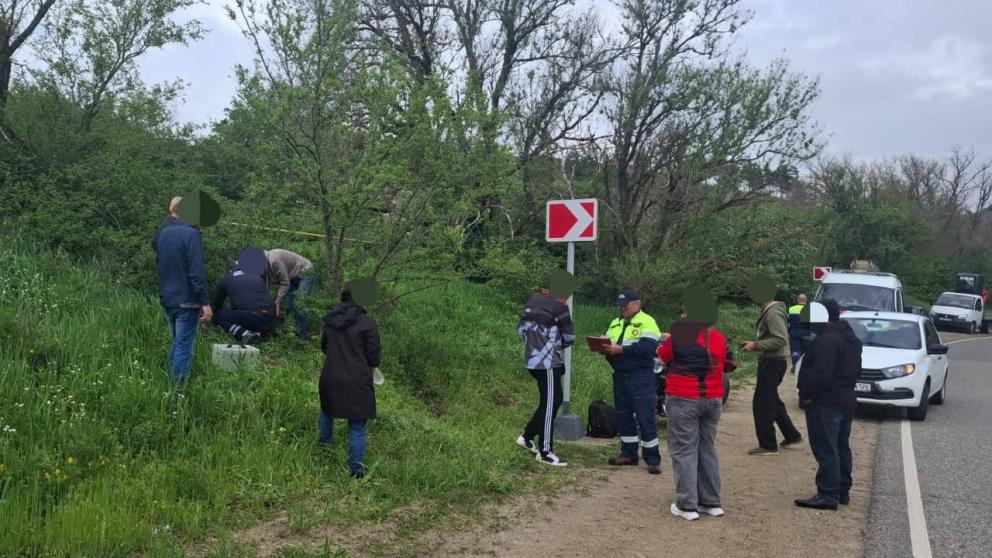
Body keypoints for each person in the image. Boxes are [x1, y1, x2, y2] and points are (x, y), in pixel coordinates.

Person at [657, 315, 728, 521]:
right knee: (707, 447)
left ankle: (687, 505)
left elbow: (664, 355)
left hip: (683, 397)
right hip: (713, 398)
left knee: (684, 450)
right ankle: (711, 502)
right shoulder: (718, 337)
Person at [796, 300, 862, 510]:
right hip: (846, 397)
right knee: (841, 445)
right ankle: (842, 489)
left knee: (826, 447)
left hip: (826, 400)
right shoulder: (852, 339)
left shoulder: (826, 341)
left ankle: (828, 493)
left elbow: (821, 373)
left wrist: (806, 393)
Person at [318, 283, 381, 479]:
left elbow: (324, 346)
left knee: (327, 411)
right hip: (357, 380)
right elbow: (374, 358)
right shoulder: (367, 323)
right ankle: (356, 471)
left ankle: (323, 452)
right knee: (357, 424)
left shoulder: (331, 320)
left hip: (331, 375)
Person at [599, 289, 663, 474]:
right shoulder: (616, 323)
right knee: (623, 416)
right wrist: (602, 347)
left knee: (645, 417)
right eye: (620, 307)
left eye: (625, 306)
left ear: (637, 304)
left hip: (640, 375)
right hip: (619, 375)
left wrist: (621, 350)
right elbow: (609, 341)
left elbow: (649, 346)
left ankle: (652, 458)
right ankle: (628, 454)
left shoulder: (647, 321)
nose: (622, 310)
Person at [153, 196, 211, 383]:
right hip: (187, 299)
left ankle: (170, 386)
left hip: (167, 297)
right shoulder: (191, 235)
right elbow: (196, 273)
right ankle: (178, 392)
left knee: (178, 344)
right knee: (183, 347)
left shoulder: (163, 233)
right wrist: (205, 302)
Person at [516, 288, 576, 467]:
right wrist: (554, 346)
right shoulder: (559, 308)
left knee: (552, 400)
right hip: (548, 363)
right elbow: (570, 337)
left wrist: (533, 346)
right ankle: (546, 452)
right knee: (550, 404)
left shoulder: (532, 301)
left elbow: (520, 331)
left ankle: (526, 437)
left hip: (532, 361)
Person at [742, 291, 803, 455]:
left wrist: (756, 345)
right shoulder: (770, 311)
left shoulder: (773, 313)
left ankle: (768, 445)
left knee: (762, 404)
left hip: (773, 362)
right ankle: (792, 435)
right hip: (773, 361)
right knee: (771, 400)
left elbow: (781, 339)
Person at [211, 248, 276, 344]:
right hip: (271, 316)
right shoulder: (256, 277)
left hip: (251, 316)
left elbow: (217, 304)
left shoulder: (227, 279)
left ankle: (245, 334)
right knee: (243, 313)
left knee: (218, 316)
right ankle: (261, 333)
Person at [264, 249, 315, 338]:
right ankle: (288, 330)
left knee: (300, 304)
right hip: (291, 277)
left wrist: (278, 299)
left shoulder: (274, 260)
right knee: (288, 305)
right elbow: (266, 284)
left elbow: (284, 282)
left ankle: (302, 335)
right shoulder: (262, 266)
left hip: (305, 272)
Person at [788, 294, 810, 368]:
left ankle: (795, 366)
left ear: (798, 300)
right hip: (806, 333)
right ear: (806, 300)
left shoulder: (791, 309)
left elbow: (789, 321)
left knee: (795, 351)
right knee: (806, 351)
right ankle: (805, 367)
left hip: (794, 333)